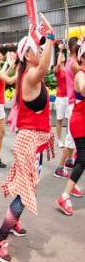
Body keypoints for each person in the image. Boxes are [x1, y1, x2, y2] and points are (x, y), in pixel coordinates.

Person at [0, 18, 56, 262]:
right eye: (37, 49)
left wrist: (36, 35)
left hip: (31, 142)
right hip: (29, 143)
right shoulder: (30, 76)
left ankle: (14, 222)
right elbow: (45, 65)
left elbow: (43, 64)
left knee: (27, 187)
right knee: (25, 193)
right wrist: (51, 37)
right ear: (27, 55)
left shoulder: (26, 74)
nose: (41, 51)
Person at [56, 42, 85, 215]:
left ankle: (72, 185)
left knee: (81, 157)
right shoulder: (80, 74)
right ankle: (64, 196)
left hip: (81, 119)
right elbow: (82, 88)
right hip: (79, 122)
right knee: (83, 159)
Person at [55, 37, 80, 178]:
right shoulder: (74, 64)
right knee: (71, 137)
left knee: (74, 136)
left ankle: (70, 161)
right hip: (73, 104)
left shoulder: (71, 62)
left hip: (72, 103)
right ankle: (59, 167)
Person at [53, 44, 68, 148]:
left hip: (69, 97)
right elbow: (58, 64)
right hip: (60, 98)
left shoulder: (68, 67)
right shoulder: (56, 69)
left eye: (63, 55)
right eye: (61, 55)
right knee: (59, 119)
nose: (62, 56)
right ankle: (59, 140)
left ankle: (68, 139)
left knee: (69, 119)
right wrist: (61, 50)